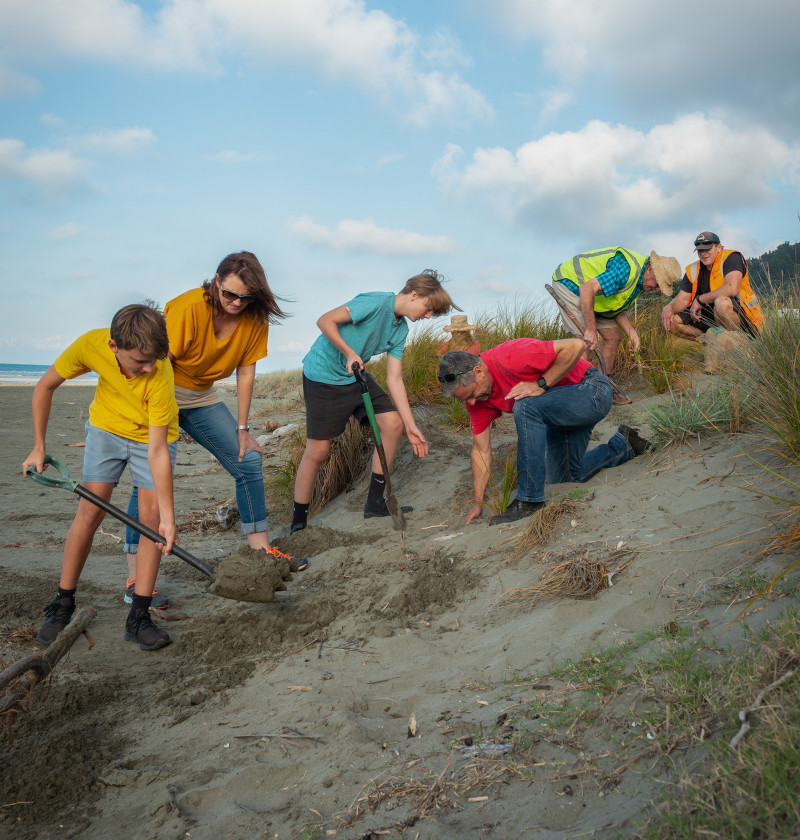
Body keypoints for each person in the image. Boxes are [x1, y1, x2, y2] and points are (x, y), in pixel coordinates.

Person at [124, 251, 307, 600]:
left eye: (246, 297)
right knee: (151, 481)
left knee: (248, 460)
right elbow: (160, 362)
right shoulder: (189, 306)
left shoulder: (255, 319)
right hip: (162, 390)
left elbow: (246, 370)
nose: (237, 303)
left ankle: (262, 552)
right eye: (230, 294)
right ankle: (135, 578)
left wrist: (242, 428)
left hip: (201, 396)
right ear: (216, 281)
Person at [23, 304, 179, 651]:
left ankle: (139, 616)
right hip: (106, 429)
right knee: (90, 512)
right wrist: (38, 447)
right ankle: (62, 606)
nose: (149, 367)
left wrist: (169, 520)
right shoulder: (91, 345)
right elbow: (46, 385)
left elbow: (156, 452)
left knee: (151, 522)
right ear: (113, 347)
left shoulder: (160, 373)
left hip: (150, 438)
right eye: (139, 361)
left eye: (154, 358)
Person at [290, 270, 460, 534]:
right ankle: (298, 523)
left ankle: (375, 503)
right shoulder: (374, 302)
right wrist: (349, 352)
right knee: (318, 451)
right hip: (323, 375)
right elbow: (324, 321)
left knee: (393, 424)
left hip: (354, 377)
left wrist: (411, 425)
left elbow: (395, 379)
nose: (427, 317)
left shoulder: (401, 329)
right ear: (414, 294)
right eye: (428, 309)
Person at [437, 339, 652, 526]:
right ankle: (625, 444)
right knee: (563, 479)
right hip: (561, 415)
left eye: (472, 393)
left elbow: (576, 346)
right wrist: (477, 502)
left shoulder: (511, 355)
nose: (472, 402)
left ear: (478, 371)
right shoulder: (476, 402)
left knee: (526, 405)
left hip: (592, 391)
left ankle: (529, 500)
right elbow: (481, 451)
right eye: (465, 399)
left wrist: (540, 385)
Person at [550, 247, 681, 375]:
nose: (657, 289)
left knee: (613, 337)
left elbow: (615, 308)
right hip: (571, 283)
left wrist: (632, 334)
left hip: (592, 297)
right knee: (584, 341)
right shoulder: (625, 270)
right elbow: (587, 289)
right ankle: (576, 391)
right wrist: (590, 329)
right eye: (658, 284)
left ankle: (600, 386)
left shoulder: (641, 283)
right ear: (650, 270)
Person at [660, 232, 763, 341]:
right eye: (700, 250)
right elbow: (682, 299)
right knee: (670, 322)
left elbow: (732, 288)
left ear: (718, 247)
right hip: (708, 315)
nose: (703, 253)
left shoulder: (730, 257)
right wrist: (669, 308)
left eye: (707, 249)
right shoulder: (692, 269)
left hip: (742, 317)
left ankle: (736, 343)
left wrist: (700, 300)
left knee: (721, 303)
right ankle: (709, 342)